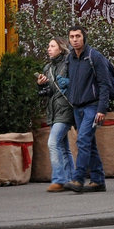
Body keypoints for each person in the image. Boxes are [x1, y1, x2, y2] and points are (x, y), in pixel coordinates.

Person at [64, 25, 113, 193]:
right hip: (77, 107)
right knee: (89, 144)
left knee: (83, 140)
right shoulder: (70, 58)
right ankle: (98, 181)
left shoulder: (94, 56)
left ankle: (78, 179)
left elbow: (104, 84)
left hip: (93, 106)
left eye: (78, 36)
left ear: (84, 37)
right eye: (72, 37)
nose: (75, 39)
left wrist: (102, 109)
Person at [35, 37, 74, 193]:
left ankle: (58, 180)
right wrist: (41, 84)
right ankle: (71, 179)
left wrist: (67, 82)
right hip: (53, 111)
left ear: (61, 48)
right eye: (48, 46)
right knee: (64, 147)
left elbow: (76, 83)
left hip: (65, 109)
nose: (49, 49)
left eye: (52, 46)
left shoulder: (69, 63)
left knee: (52, 143)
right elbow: (47, 92)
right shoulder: (47, 68)